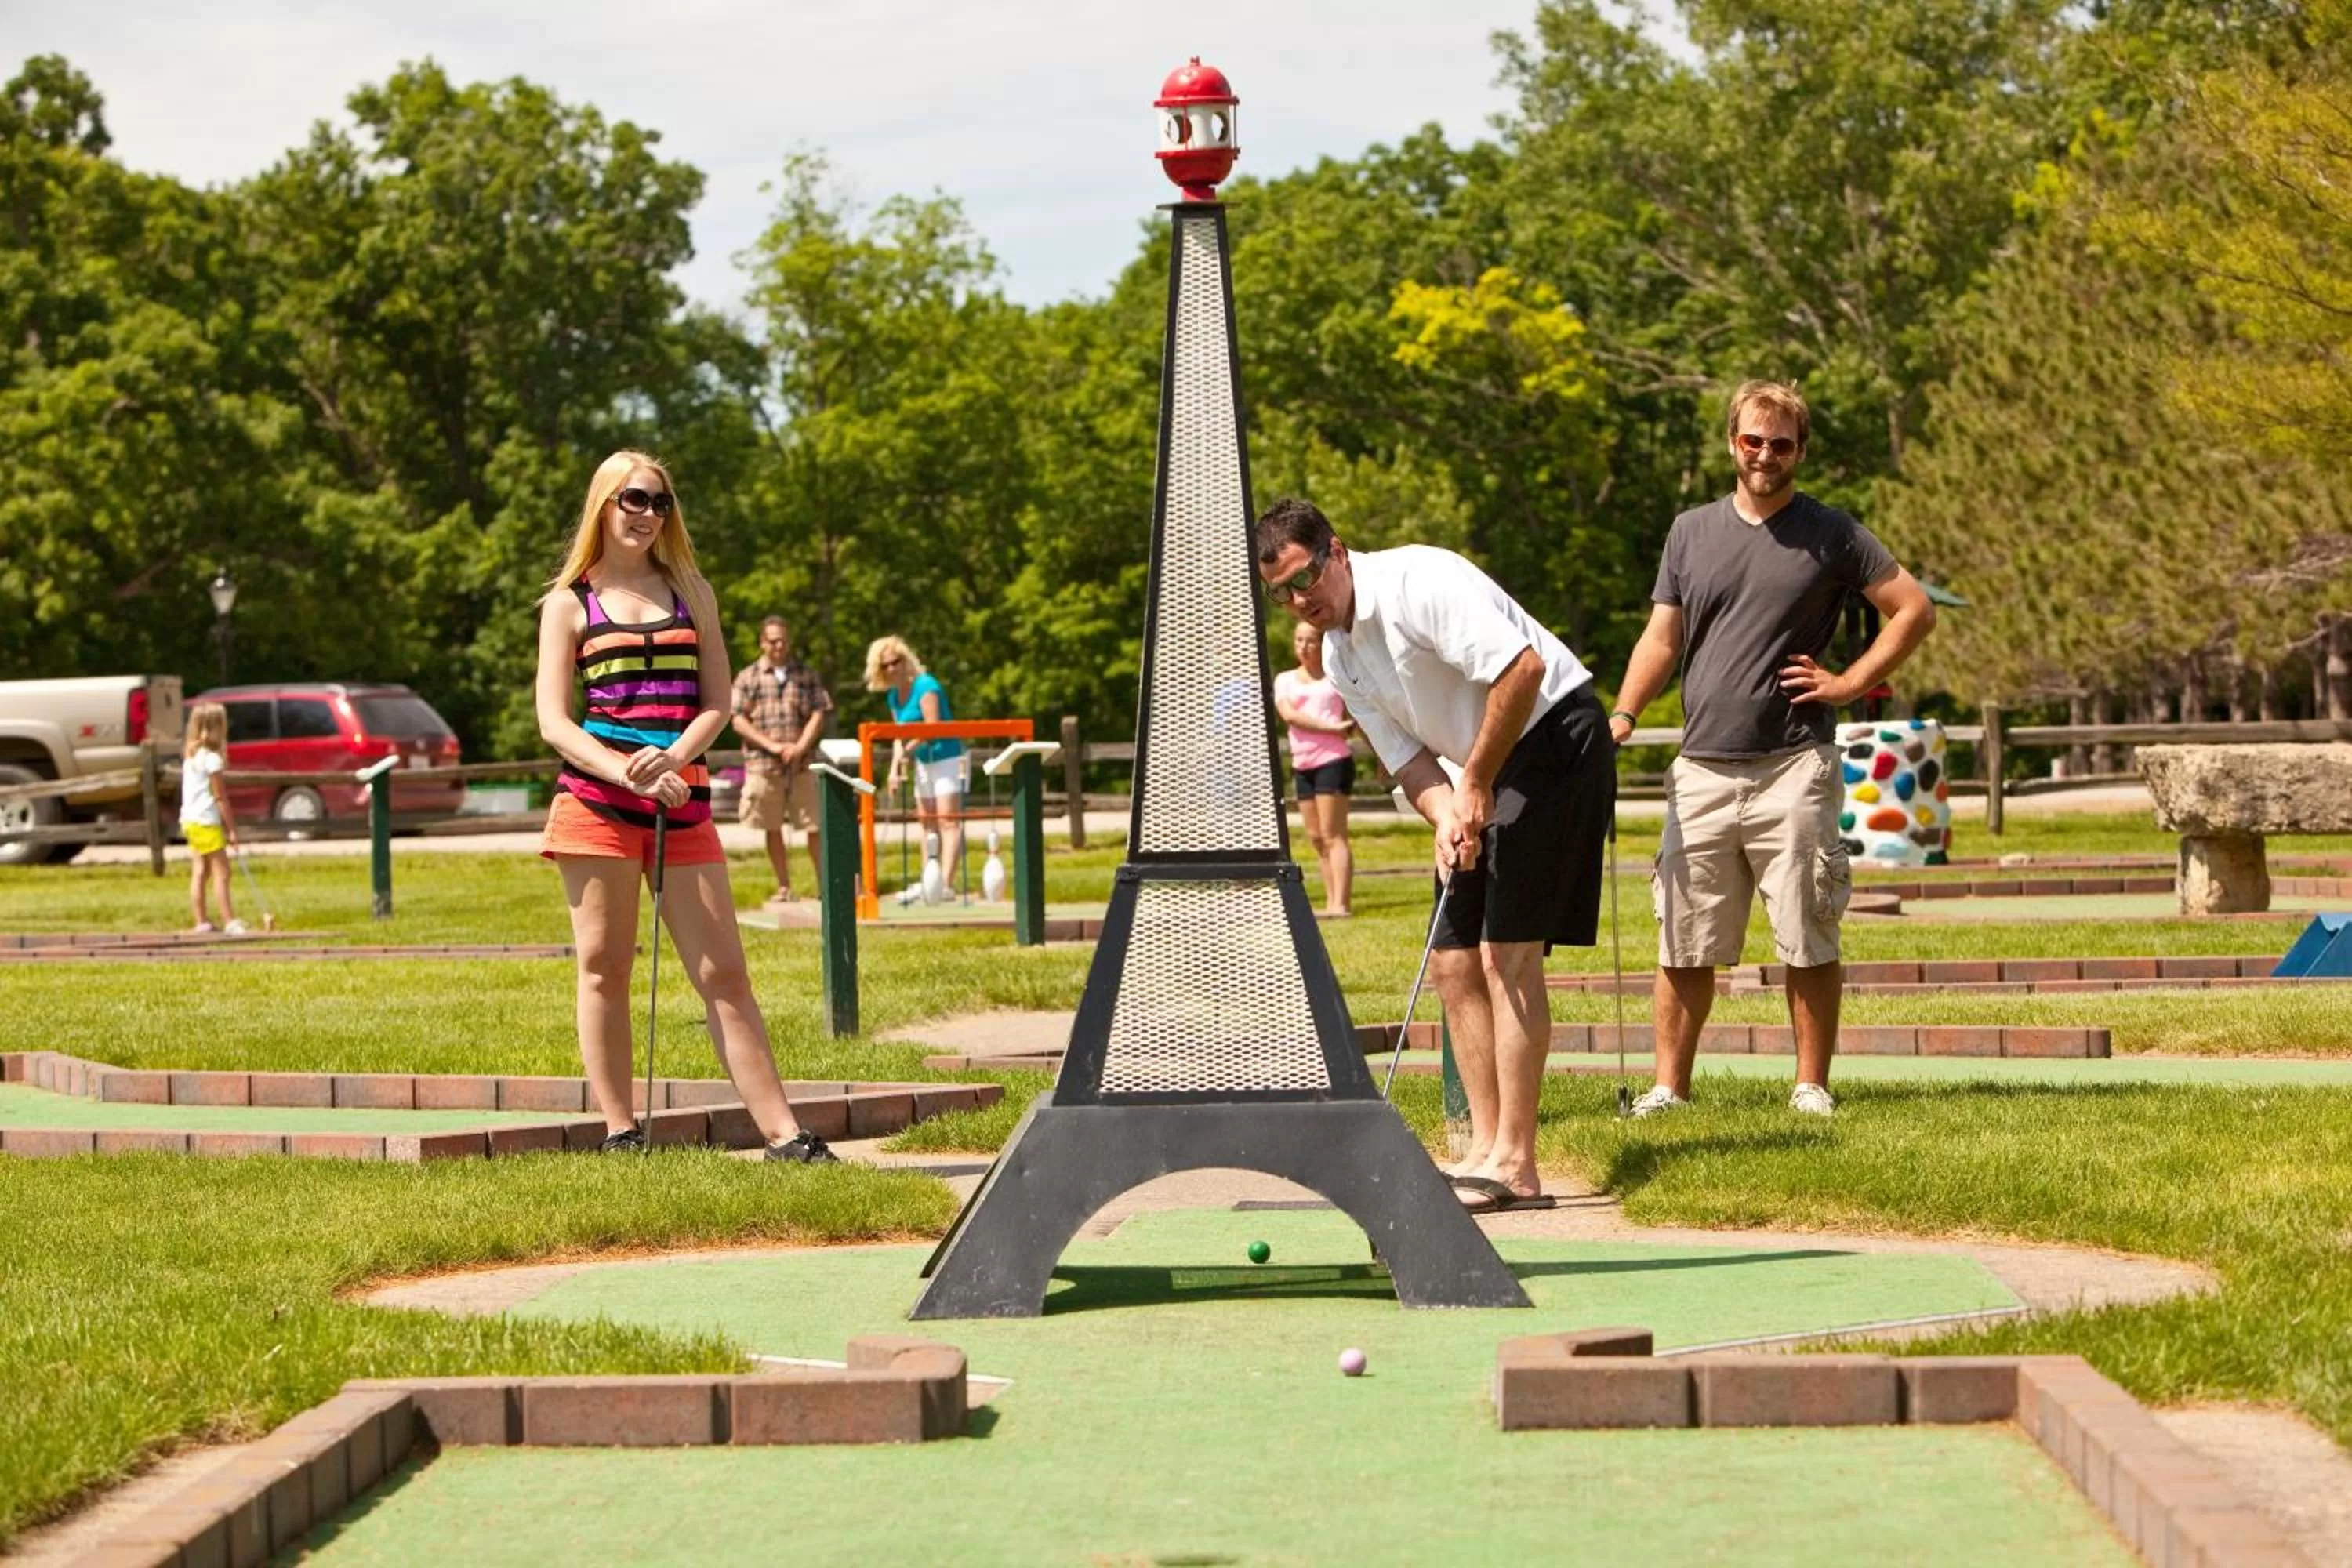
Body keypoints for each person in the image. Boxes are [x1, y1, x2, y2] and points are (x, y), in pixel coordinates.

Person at [1254, 498, 1614, 1214]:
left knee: (1505, 953)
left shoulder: (1421, 581)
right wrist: (1448, 812)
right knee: (1452, 960)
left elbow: (1523, 669)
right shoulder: (1334, 655)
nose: (1303, 600)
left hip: (1553, 738)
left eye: (1308, 577)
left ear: (1338, 550)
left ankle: (1517, 1162)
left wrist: (1475, 781)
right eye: (1283, 594)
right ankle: (1482, 1147)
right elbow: (1407, 761)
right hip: (1474, 767)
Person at [1606, 381, 1936, 1119]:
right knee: (1685, 939)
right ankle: (1669, 1090)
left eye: (1781, 444)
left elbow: (1912, 610)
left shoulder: (1834, 533)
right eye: (1753, 441)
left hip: (1794, 764)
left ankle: (1810, 1086)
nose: (1765, 455)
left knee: (1807, 931)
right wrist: (1624, 713)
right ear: (1732, 443)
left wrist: (1849, 683)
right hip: (1701, 768)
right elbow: (1663, 638)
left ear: (1800, 451)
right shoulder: (1689, 532)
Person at [535, 449, 838, 1162]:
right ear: (604, 505)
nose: (647, 514)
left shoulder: (692, 590)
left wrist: (675, 759)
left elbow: (718, 703)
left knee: (723, 973)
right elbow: (554, 721)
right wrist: (627, 772)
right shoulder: (568, 603)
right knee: (605, 968)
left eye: (660, 502)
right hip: (596, 806)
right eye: (634, 500)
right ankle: (619, 1131)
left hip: (686, 803)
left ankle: (784, 1136)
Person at [729, 615, 833, 906]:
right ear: (763, 642)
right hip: (763, 765)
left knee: (814, 826)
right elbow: (737, 720)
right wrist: (774, 746)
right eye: (773, 640)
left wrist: (799, 746)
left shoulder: (806, 675)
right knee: (771, 826)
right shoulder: (748, 677)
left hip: (802, 764)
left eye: (784, 640)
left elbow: (819, 712)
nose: (779, 646)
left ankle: (826, 886)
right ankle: (784, 887)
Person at [864, 636, 966, 898]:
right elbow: (900, 736)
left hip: (947, 758)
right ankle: (929, 881)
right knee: (927, 821)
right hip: (923, 761)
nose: (892, 669)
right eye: (885, 665)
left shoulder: (926, 685)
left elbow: (931, 729)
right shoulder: (894, 697)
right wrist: (894, 769)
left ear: (905, 660)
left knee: (947, 820)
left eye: (895, 662)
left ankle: (946, 884)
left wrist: (906, 754)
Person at [1272, 620, 1356, 917]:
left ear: (1322, 644)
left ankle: (1341, 905)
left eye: (1311, 640)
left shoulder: (1336, 677)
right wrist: (1332, 727)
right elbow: (1290, 716)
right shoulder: (1284, 681)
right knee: (1317, 837)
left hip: (1333, 761)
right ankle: (1330, 900)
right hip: (1302, 764)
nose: (1304, 646)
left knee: (1334, 835)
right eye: (1299, 640)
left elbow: (1359, 709)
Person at [179, 701, 245, 935]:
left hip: (190, 820)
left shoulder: (191, 757)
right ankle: (230, 921)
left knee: (200, 871)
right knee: (222, 872)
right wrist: (232, 830)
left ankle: (202, 921)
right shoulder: (212, 760)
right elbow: (220, 797)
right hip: (206, 822)